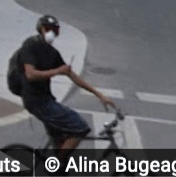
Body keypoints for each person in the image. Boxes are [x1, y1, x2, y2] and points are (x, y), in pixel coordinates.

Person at [19, 14, 115, 156]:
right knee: (80, 128)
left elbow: (73, 76)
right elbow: (30, 74)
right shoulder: (31, 45)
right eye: (49, 29)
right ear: (41, 30)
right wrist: (57, 71)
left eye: (55, 30)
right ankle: (57, 166)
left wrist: (99, 95)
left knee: (62, 138)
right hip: (36, 101)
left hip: (47, 100)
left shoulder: (53, 53)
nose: (52, 33)